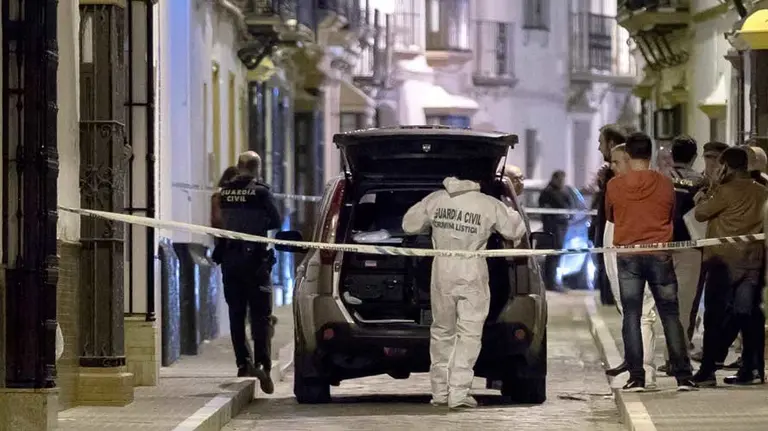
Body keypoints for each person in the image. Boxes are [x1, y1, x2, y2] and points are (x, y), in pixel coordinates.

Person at [402, 173, 526, 409]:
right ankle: (458, 393)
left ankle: (439, 392)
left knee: (441, 330)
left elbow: (408, 224)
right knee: (469, 334)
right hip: (472, 271)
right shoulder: (487, 204)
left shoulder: (436, 199)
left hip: (441, 270)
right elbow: (515, 229)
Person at [605, 132, 696, 392]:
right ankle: (683, 376)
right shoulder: (665, 183)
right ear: (650, 152)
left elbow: (611, 216)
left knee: (631, 316)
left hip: (629, 257)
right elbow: (671, 213)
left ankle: (637, 377)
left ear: (629, 154)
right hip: (659, 254)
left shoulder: (615, 186)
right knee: (670, 314)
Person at [692, 147, 768, 386]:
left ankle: (707, 371)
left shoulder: (724, 191)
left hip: (723, 263)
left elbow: (701, 214)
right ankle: (753, 369)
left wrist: (712, 187)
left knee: (715, 317)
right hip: (752, 262)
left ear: (726, 166)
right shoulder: (762, 191)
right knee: (748, 316)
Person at [219, 151, 281, 394]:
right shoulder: (261, 192)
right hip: (255, 261)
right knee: (260, 314)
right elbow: (276, 220)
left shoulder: (225, 192)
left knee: (236, 313)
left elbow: (225, 221)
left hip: (230, 259)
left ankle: (242, 363)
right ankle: (262, 363)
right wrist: (258, 225)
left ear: (238, 166)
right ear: (257, 168)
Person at [602, 144, 659, 387]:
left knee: (642, 313)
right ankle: (634, 363)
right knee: (629, 312)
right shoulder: (617, 187)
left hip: (634, 252)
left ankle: (643, 370)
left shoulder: (641, 188)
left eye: (616, 162)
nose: (611, 166)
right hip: (618, 249)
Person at [656, 135, 704, 376]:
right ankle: (677, 358)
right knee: (684, 306)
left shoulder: (659, 179)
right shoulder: (700, 182)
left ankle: (671, 357)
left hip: (660, 246)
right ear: (694, 157)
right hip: (690, 247)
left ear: (671, 154)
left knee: (666, 304)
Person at [688, 141, 729, 363]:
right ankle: (689, 344)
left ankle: (713, 352)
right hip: (698, 246)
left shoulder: (725, 182)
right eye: (707, 157)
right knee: (694, 299)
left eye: (714, 158)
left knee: (718, 304)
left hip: (719, 250)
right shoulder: (702, 181)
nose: (710, 162)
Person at [592, 125, 627, 305]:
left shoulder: (619, 176)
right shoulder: (608, 175)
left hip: (615, 240)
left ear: (611, 143)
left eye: (601, 142)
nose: (599, 148)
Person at [538, 170, 572, 291]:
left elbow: (570, 206)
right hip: (553, 229)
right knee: (552, 255)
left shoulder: (564, 191)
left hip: (561, 228)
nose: (563, 182)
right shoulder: (549, 192)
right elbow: (558, 205)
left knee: (556, 256)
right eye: (561, 179)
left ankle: (553, 282)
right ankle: (550, 283)